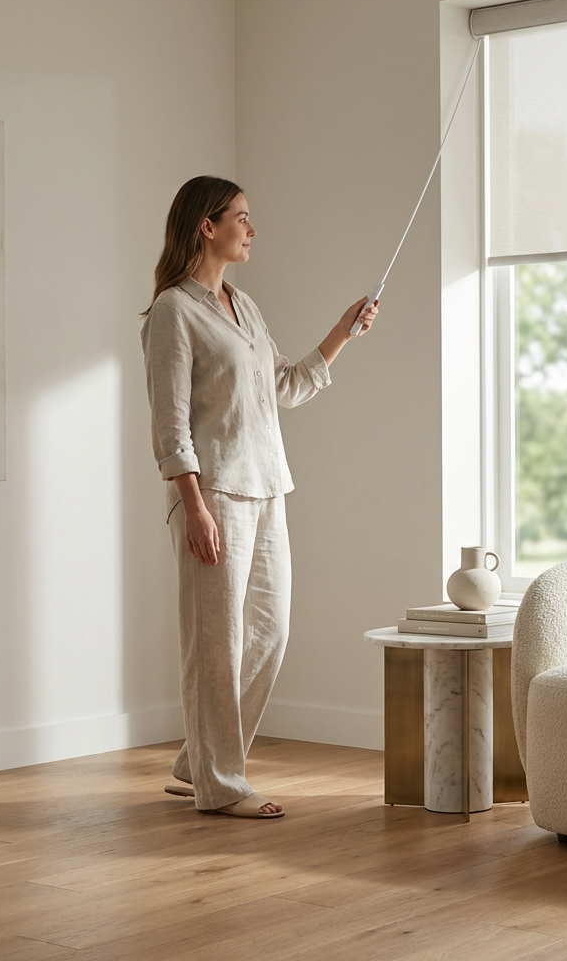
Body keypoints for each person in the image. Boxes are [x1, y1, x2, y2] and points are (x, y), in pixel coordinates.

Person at [140, 176, 378, 818]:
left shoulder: (245, 308)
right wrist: (192, 504)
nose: (252, 229)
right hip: (213, 491)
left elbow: (284, 388)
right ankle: (220, 785)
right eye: (241, 218)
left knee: (269, 636)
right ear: (206, 227)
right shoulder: (173, 312)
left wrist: (342, 333)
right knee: (214, 643)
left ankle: (199, 761)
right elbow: (171, 420)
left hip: (267, 486)